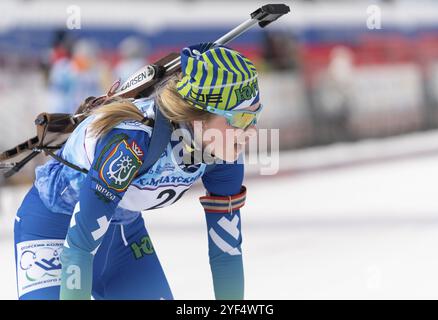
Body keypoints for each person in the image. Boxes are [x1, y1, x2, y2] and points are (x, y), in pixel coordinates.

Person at [14, 43, 263, 300]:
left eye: (255, 118)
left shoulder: (223, 157)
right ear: (199, 116)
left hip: (120, 234)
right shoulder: (131, 143)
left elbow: (227, 251)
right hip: (55, 227)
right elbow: (78, 248)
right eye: (241, 120)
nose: (252, 131)